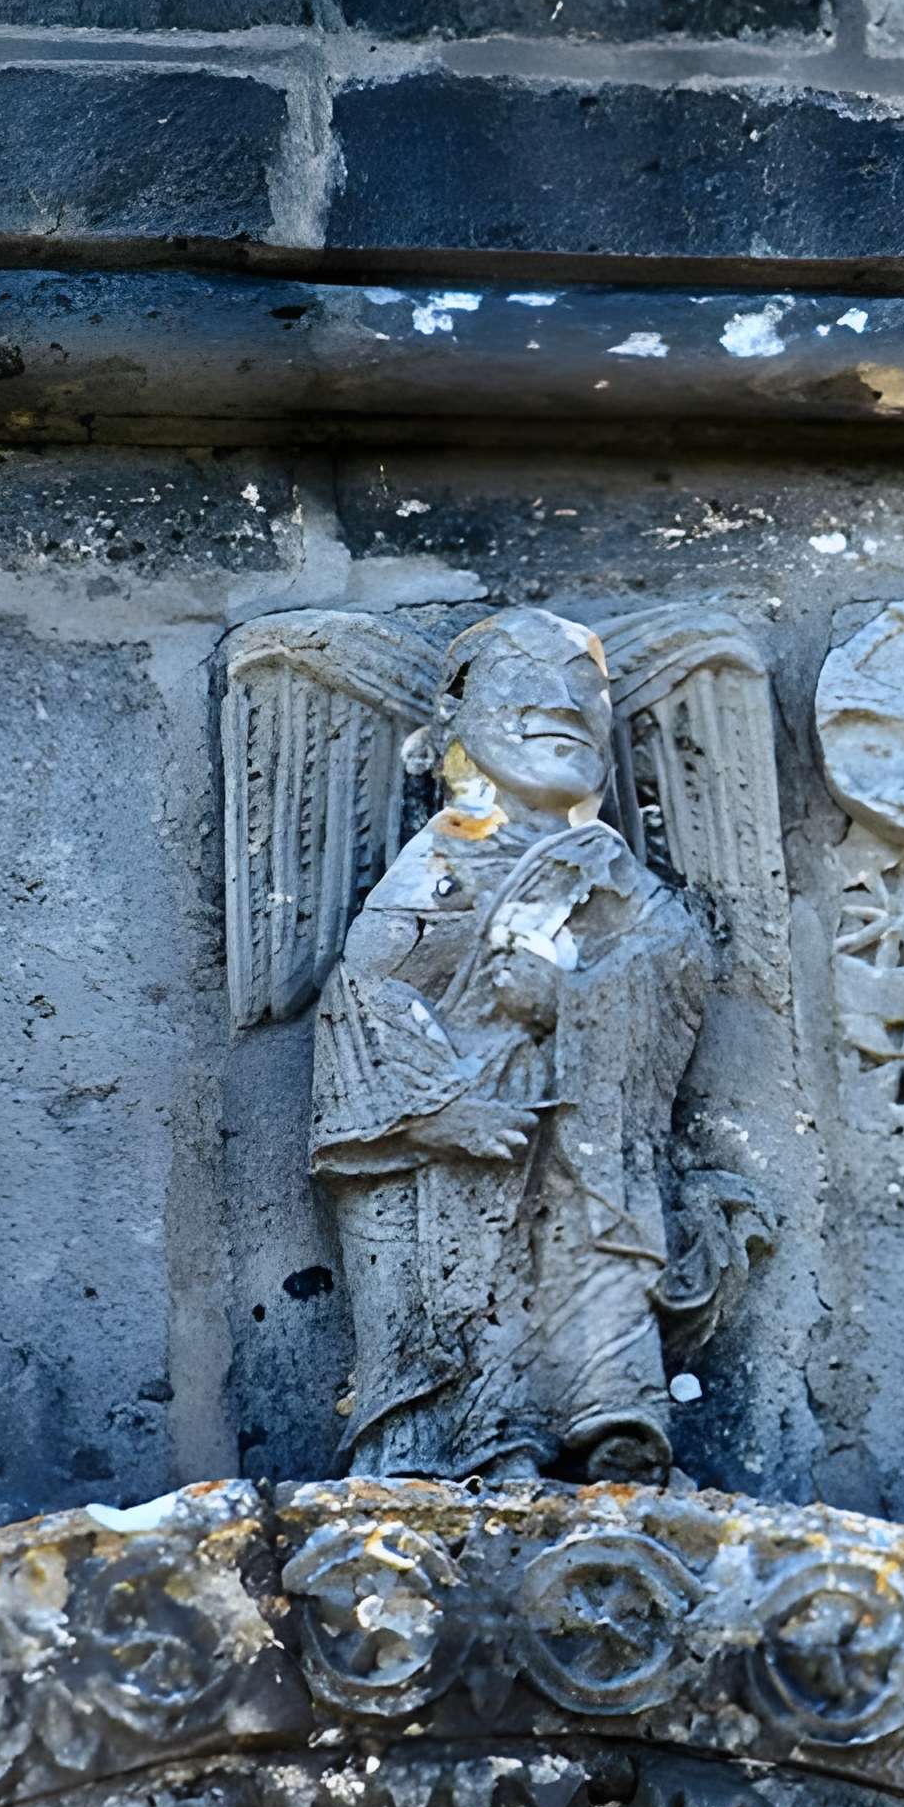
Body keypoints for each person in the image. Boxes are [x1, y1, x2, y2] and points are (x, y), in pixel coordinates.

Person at [308, 609, 720, 1482]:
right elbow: (363, 997)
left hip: (575, 1123)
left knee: (595, 1207)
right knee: (461, 1293)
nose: (565, 704)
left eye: (586, 689)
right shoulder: (444, 859)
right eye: (528, 681)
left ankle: (609, 1412)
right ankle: (471, 1439)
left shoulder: (603, 866)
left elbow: (677, 966)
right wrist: (438, 1114)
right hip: (445, 1151)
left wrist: (571, 1000)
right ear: (454, 719)